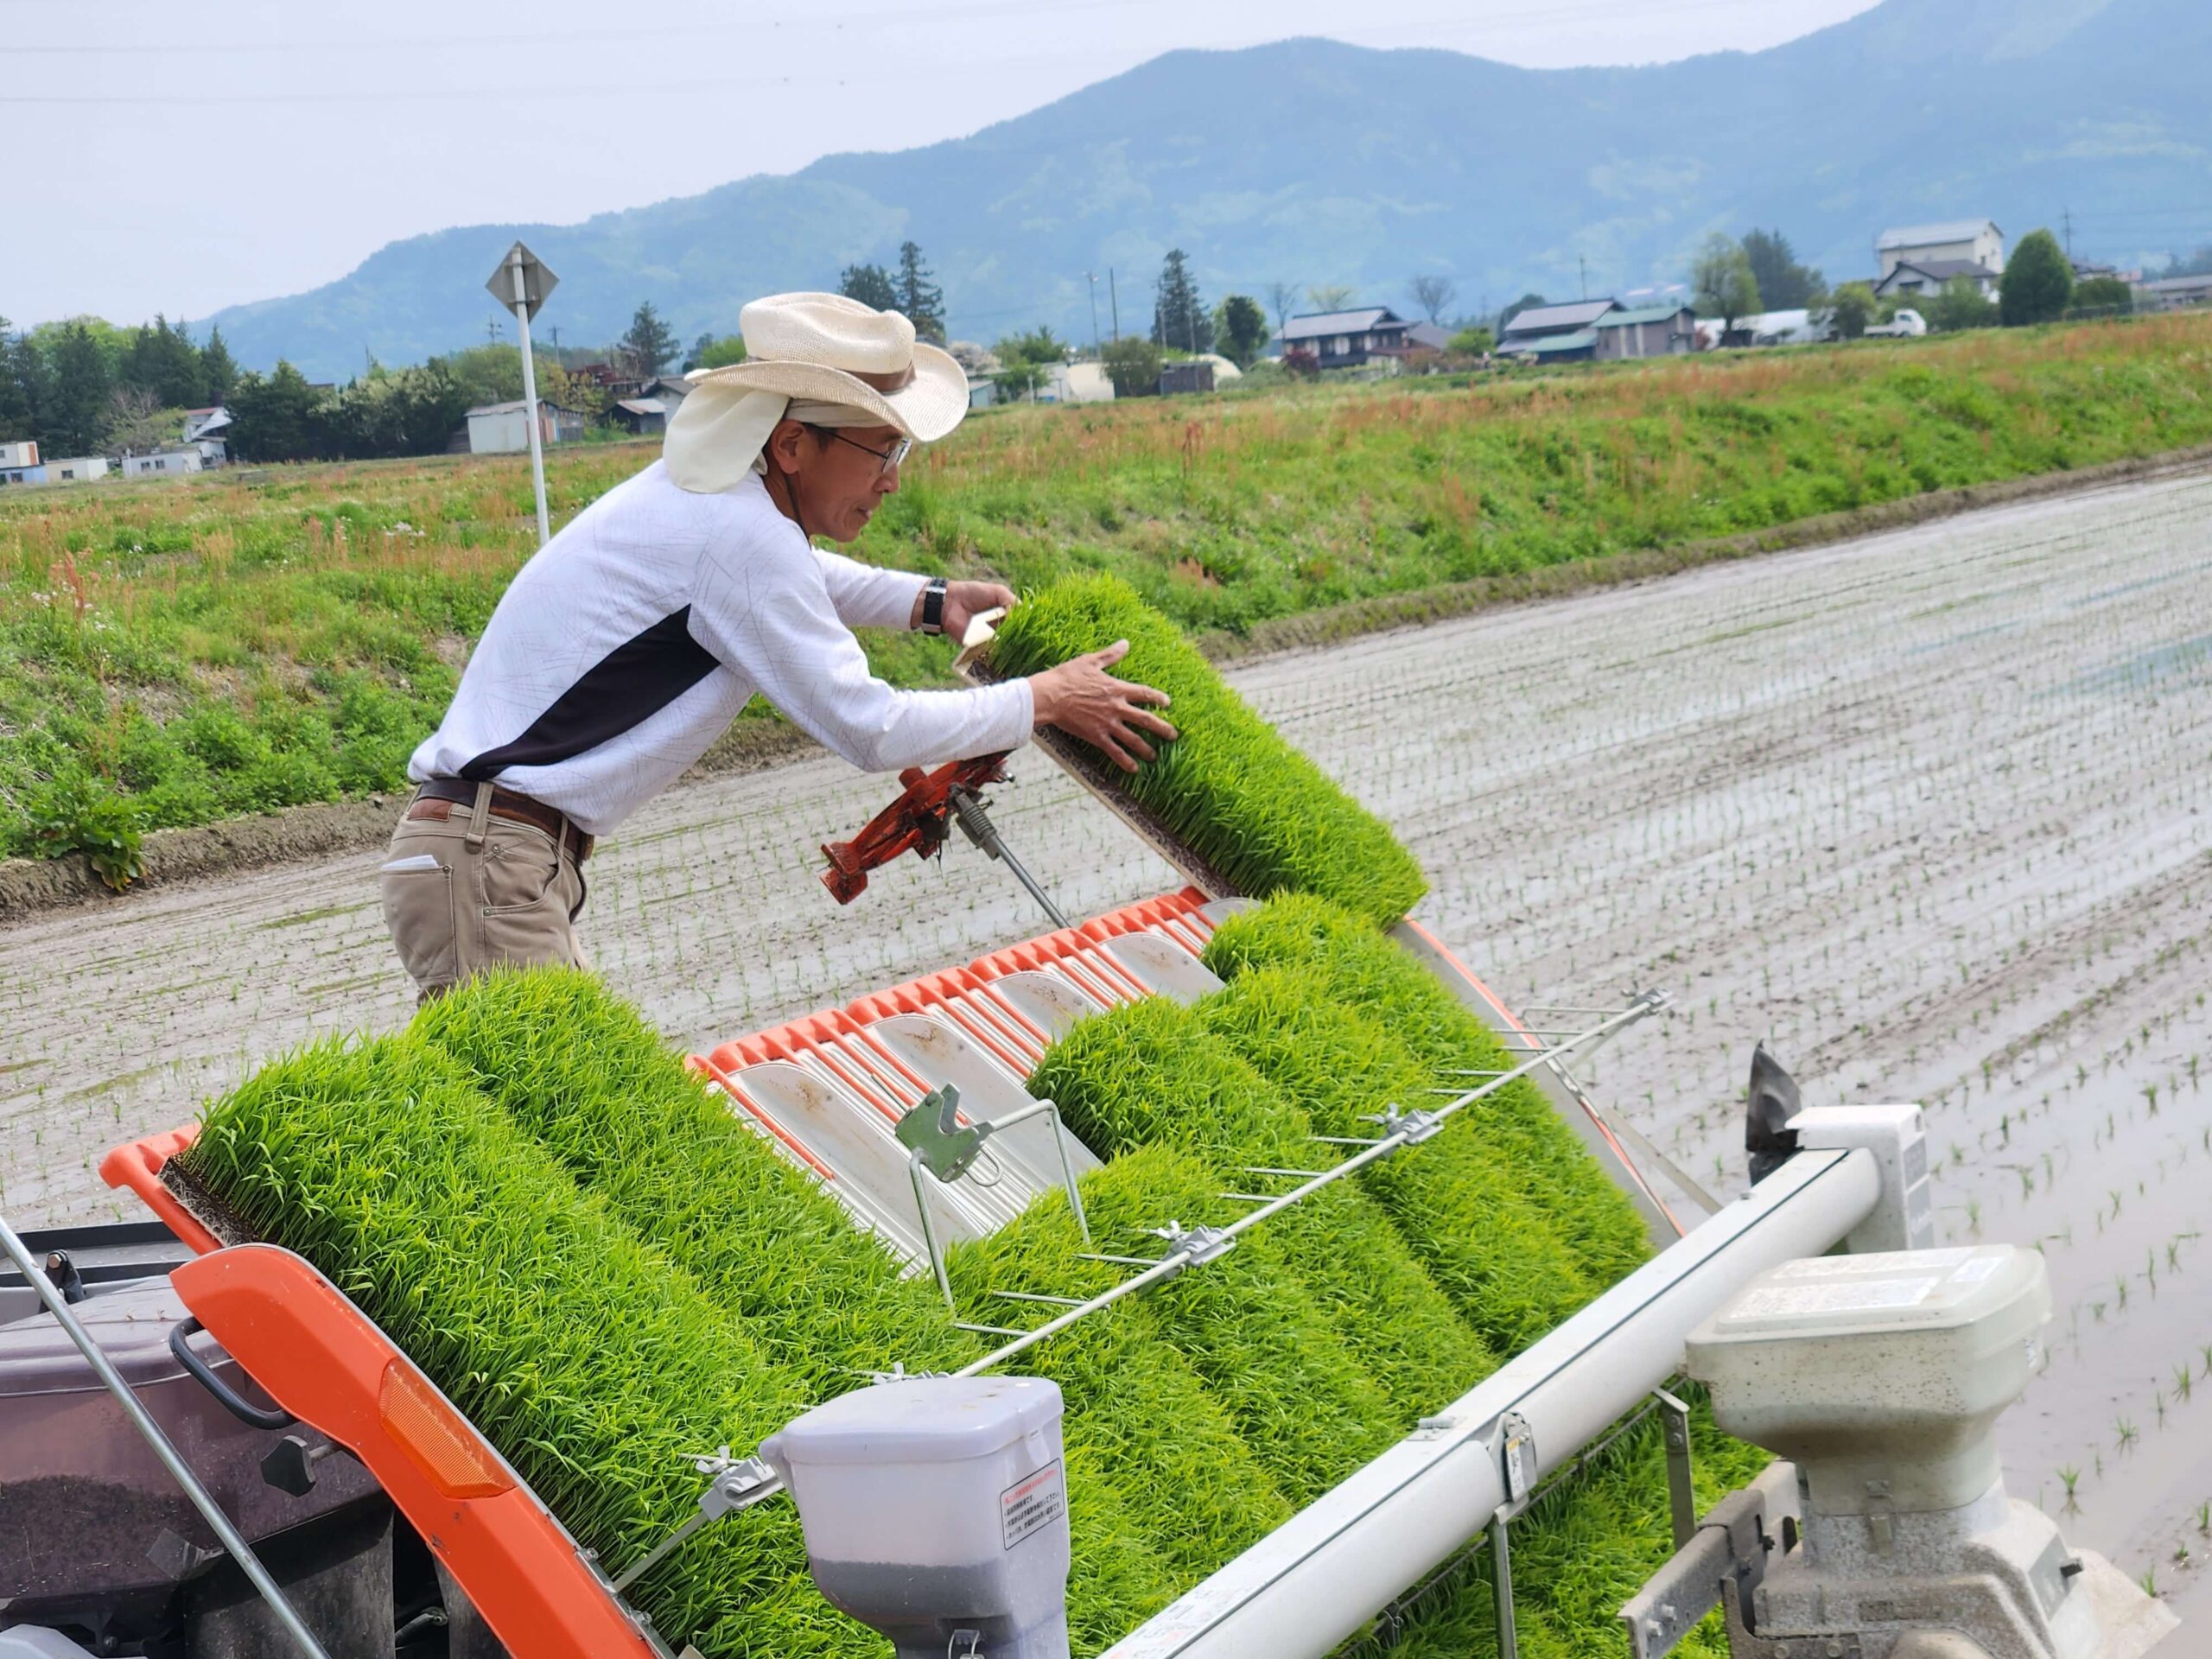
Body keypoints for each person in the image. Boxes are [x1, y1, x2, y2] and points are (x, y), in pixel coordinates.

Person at [380, 291, 1174, 1001]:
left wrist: (931, 603)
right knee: (558, 1141)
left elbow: (794, 575)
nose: (894, 479)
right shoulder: (737, 536)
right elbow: (871, 728)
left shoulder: (716, 505)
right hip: (493, 863)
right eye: (881, 451)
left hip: (494, 856)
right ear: (793, 444)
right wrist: (1043, 699)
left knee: (558, 1134)